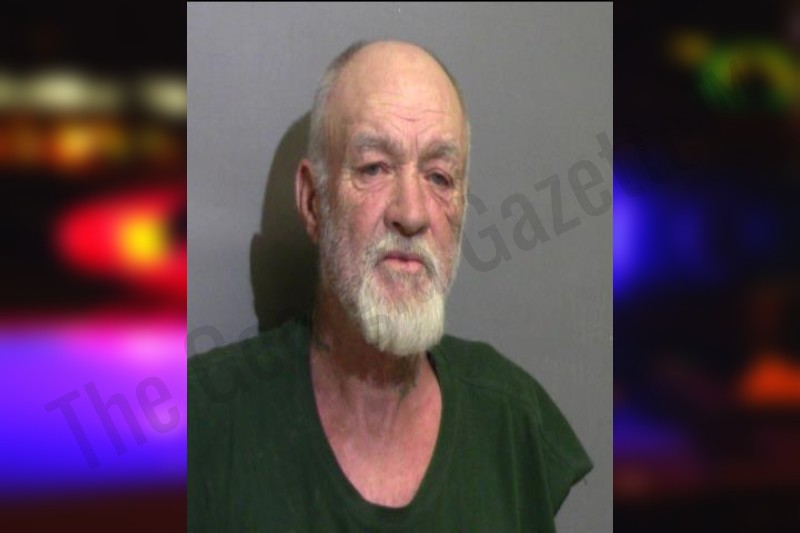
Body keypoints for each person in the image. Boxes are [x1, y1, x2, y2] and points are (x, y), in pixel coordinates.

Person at [188, 39, 592, 532]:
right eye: (374, 167)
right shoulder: (199, 423)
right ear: (313, 202)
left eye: (439, 177)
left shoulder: (511, 420)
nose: (412, 213)